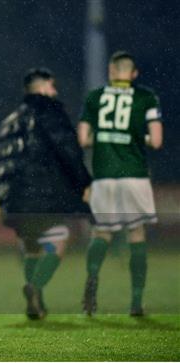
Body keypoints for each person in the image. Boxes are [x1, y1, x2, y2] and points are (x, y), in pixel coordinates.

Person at [0, 68, 92, 320]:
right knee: (59, 238)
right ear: (44, 87)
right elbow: (67, 148)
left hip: (16, 199)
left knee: (32, 249)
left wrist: (6, 198)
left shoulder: (9, 121)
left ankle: (36, 300)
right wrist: (83, 182)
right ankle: (35, 287)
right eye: (52, 87)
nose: (55, 92)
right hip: (44, 193)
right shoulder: (50, 111)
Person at [78, 51, 163, 317]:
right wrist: (137, 139)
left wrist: (105, 139)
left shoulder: (95, 97)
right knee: (136, 234)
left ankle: (92, 279)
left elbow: (83, 139)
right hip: (134, 175)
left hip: (104, 175)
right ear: (133, 73)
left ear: (111, 72)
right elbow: (157, 141)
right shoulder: (146, 97)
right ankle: (136, 302)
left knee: (102, 233)